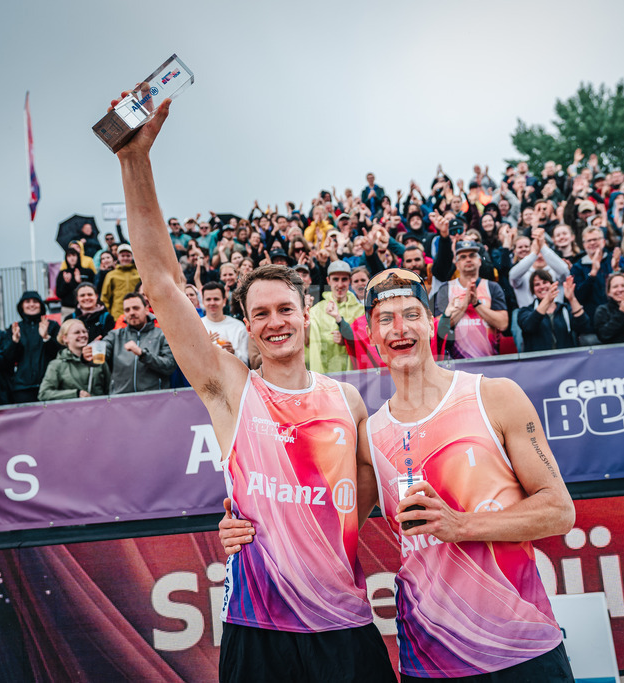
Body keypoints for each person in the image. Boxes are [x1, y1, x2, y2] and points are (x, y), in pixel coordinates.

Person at [109, 95, 394, 683]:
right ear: (246, 325)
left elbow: (364, 500)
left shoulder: (347, 402)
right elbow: (162, 284)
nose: (275, 322)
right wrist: (135, 160)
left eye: (285, 308)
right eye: (260, 313)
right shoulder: (230, 388)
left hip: (342, 624)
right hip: (257, 627)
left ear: (305, 312)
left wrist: (297, 521)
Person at [363, 269, 576, 679]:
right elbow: (329, 528)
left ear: (432, 322)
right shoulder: (369, 434)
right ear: (371, 334)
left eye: (411, 314)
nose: (399, 328)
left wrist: (461, 526)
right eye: (385, 319)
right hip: (430, 657)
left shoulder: (495, 395)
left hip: (522, 648)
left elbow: (559, 511)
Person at [432, 240, 509, 359]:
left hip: (489, 361)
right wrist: (465, 304)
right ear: (457, 264)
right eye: (463, 257)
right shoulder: (446, 289)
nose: (468, 259)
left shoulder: (492, 287)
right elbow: (439, 327)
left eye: (472, 255)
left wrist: (476, 304)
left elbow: (503, 324)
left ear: (480, 261)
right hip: (455, 363)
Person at [103, 293, 176, 394]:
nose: (131, 313)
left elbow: (169, 366)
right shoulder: (115, 336)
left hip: (155, 398)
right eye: (127, 310)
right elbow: (99, 357)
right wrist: (87, 356)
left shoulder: (162, 335)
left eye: (136, 308)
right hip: (121, 399)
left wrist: (143, 355)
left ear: (146, 310)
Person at [308, 260, 365, 373]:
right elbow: (308, 344)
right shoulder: (316, 311)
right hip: (325, 376)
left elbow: (367, 345)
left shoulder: (361, 311)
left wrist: (346, 341)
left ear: (349, 281)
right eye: (335, 279)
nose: (340, 284)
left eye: (344, 279)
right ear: (328, 281)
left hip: (354, 377)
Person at [7, 291, 61, 403]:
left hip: (49, 385)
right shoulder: (15, 328)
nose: (31, 304)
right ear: (22, 306)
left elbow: (59, 353)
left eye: (35, 301)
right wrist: (15, 342)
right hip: (22, 388)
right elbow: (9, 359)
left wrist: (46, 338)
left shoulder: (52, 325)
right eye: (27, 302)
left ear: (41, 305)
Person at [37, 319, 110, 400]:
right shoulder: (56, 365)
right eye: (77, 332)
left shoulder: (98, 360)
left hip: (99, 407)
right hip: (71, 408)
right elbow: (44, 394)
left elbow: (109, 390)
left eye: (84, 332)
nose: (82, 335)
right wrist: (75, 394)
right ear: (65, 338)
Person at [200, 282, 249, 365]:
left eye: (216, 299)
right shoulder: (197, 326)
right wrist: (204, 348)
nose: (212, 303)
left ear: (224, 301)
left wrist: (233, 352)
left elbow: (246, 362)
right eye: (208, 299)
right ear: (203, 302)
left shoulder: (238, 327)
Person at [100, 243, 141, 319]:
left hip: (136, 314)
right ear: (118, 257)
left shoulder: (139, 274)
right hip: (117, 316)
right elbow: (105, 297)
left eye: (128, 256)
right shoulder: (111, 275)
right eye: (122, 256)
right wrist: (108, 315)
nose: (125, 258)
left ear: (132, 257)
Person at [55, 247, 96, 317]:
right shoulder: (63, 273)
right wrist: (66, 283)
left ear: (78, 257)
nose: (72, 258)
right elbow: (59, 294)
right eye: (69, 256)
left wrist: (80, 282)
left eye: (74, 255)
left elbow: (94, 289)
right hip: (68, 308)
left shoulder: (87, 272)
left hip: (85, 308)